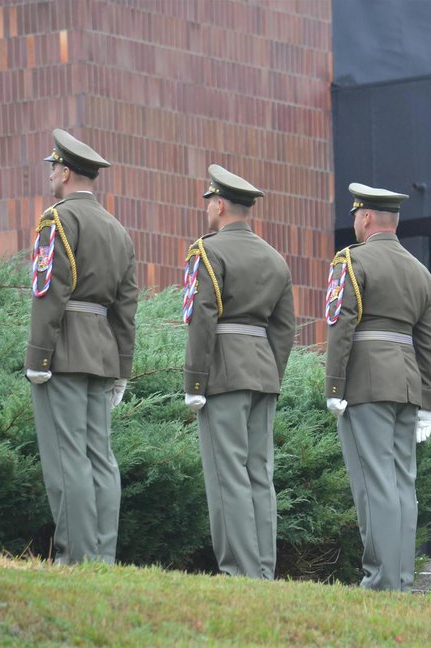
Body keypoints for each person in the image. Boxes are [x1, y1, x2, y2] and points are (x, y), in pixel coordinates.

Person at [27, 129, 138, 564]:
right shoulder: (118, 230)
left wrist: (38, 355)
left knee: (67, 457)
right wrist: (123, 369)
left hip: (64, 349)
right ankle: (101, 558)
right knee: (100, 458)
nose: (51, 175)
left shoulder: (58, 219)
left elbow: (49, 291)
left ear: (66, 172)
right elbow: (126, 309)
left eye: (54, 167)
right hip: (103, 352)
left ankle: (75, 558)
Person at [324, 182, 431, 591]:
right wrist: (428, 400)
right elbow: (430, 342)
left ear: (367, 217)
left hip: (366, 381)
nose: (354, 221)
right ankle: (401, 577)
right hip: (407, 383)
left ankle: (380, 579)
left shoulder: (352, 261)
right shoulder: (420, 271)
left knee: (373, 483)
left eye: (356, 214)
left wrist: (334, 386)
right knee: (401, 485)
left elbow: (341, 327)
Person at [182, 165, 295, 579]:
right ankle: (263, 569)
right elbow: (284, 329)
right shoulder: (274, 257)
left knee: (227, 473)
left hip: (224, 372)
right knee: (259, 475)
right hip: (263, 370)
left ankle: (238, 571)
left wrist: (194, 380)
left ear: (220, 204)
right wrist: (271, 372)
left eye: (210, 201)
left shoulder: (209, 250)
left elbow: (203, 317)